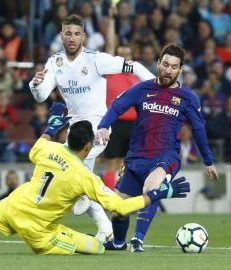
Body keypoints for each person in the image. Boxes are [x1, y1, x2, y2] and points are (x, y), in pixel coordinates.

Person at [0, 102, 190, 256]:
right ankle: (94, 239)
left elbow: (40, 143)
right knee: (98, 248)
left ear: (67, 137)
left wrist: (51, 124)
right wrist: (158, 194)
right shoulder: (85, 177)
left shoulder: (47, 147)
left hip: (12, 205)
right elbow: (123, 208)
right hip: (39, 231)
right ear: (88, 147)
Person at [28, 14, 155, 242]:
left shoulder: (96, 59)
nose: (72, 38)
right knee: (79, 177)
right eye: (68, 33)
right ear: (61, 35)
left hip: (99, 126)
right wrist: (35, 85)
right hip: (75, 130)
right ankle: (105, 227)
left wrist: (157, 88)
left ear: (84, 36)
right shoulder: (54, 63)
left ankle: (85, 201)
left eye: (77, 34)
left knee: (74, 172)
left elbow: (133, 66)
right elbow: (41, 96)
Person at [96, 43, 219, 252]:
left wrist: (208, 161)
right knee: (119, 208)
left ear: (180, 69)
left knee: (151, 187)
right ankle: (118, 243)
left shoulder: (188, 97)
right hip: (136, 158)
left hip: (166, 156)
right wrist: (103, 126)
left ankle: (137, 240)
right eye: (164, 64)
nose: (168, 70)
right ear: (158, 63)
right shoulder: (142, 89)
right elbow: (117, 106)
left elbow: (199, 130)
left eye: (173, 67)